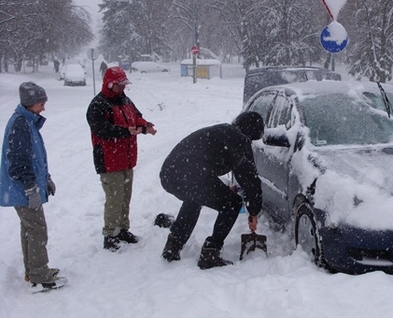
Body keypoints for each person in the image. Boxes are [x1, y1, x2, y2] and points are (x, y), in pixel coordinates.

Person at [160, 112, 264, 269]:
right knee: (232, 203)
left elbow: (203, 160)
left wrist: (221, 189)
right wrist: (254, 212)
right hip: (192, 174)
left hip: (169, 174)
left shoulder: (222, 131)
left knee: (195, 198)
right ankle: (210, 252)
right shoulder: (239, 141)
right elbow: (251, 181)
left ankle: (173, 244)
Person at [86, 66, 157, 251]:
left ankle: (123, 229)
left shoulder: (124, 99)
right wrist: (126, 131)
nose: (123, 88)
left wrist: (146, 125)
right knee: (114, 199)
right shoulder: (98, 104)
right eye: (120, 85)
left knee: (125, 197)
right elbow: (102, 130)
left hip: (126, 158)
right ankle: (110, 234)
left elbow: (137, 117)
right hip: (109, 161)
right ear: (110, 84)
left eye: (124, 85)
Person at [0, 82, 61, 287]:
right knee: (37, 230)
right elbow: (19, 162)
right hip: (23, 189)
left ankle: (32, 270)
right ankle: (39, 274)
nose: (43, 107)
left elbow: (36, 158)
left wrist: (46, 179)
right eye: (40, 103)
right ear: (30, 103)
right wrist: (30, 189)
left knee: (29, 228)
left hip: (25, 188)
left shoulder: (26, 121)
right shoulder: (20, 125)